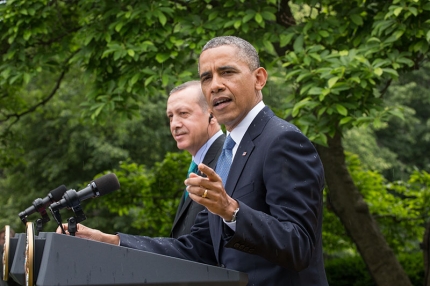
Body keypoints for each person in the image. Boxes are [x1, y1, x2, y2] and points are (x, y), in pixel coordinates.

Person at [57, 36, 328, 285]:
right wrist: (110, 241)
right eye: (206, 77)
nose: (215, 85)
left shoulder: (282, 140)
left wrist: (232, 211)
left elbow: (300, 245)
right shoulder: (229, 152)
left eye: (227, 72)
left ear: (259, 78)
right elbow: (197, 248)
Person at [166, 80, 225, 238]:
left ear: (212, 115)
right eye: (171, 116)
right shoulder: (198, 165)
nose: (175, 124)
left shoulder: (227, 159)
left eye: (183, 113)